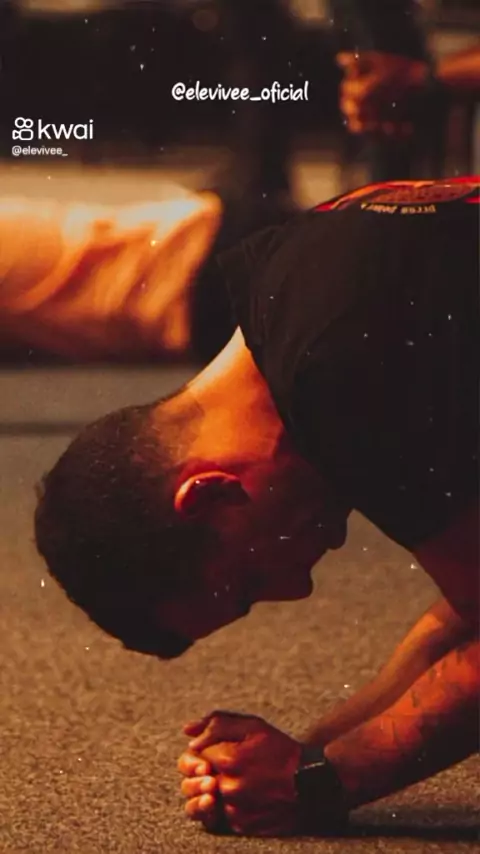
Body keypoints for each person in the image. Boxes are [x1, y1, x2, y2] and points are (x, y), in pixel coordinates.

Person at [34, 177, 479, 837]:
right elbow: (468, 607)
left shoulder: (342, 375)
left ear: (208, 491)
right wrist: (307, 754)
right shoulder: (291, 288)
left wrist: (325, 781)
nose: (299, 588)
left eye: (247, 583)